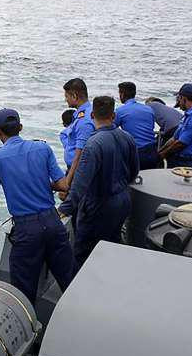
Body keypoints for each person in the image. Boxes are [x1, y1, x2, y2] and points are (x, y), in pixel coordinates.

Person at [0, 108, 75, 304]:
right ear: (21, 128)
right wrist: (44, 185)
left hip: (26, 231)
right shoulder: (42, 148)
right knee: (69, 281)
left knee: (23, 294)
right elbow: (63, 186)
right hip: (53, 223)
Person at [57, 96, 139, 267]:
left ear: (92, 114)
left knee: (83, 251)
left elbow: (80, 186)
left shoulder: (93, 145)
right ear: (114, 115)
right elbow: (134, 172)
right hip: (122, 202)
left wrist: (63, 210)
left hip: (98, 207)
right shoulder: (128, 137)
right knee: (112, 244)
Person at [158, 83, 192, 171]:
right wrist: (159, 152)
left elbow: (180, 143)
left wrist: (162, 155)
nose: (178, 102)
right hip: (181, 159)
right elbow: (174, 138)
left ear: (183, 98)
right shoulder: (188, 115)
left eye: (179, 98)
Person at [116, 82, 158, 169]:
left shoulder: (120, 111)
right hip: (152, 151)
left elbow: (110, 128)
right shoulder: (149, 109)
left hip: (136, 153)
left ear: (122, 94)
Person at [62, 78, 96, 187]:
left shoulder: (84, 121)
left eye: (67, 96)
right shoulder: (87, 112)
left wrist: (68, 181)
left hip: (78, 172)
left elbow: (80, 154)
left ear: (75, 96)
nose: (65, 100)